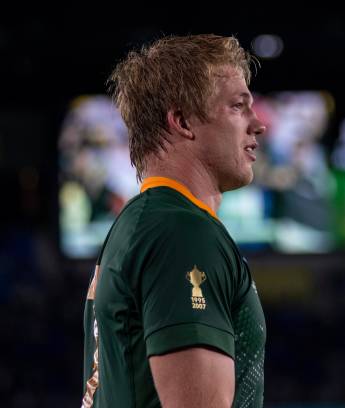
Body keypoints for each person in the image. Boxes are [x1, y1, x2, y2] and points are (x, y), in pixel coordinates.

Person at [81, 34, 267, 408]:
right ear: (182, 121)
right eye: (237, 106)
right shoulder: (181, 233)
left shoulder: (142, 222)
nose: (258, 124)